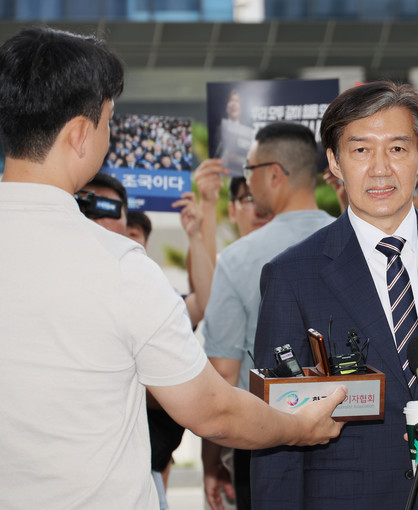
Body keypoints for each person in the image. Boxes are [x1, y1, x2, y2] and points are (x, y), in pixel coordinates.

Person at [0, 26, 346, 510]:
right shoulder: (118, 266)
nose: (109, 137)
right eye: (108, 122)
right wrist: (300, 427)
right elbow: (212, 410)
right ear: (80, 134)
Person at [250, 81, 418, 510]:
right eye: (361, 150)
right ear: (335, 162)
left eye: (397, 149)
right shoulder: (292, 275)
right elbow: (275, 430)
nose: (380, 169)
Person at [201, 122, 335, 510]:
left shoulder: (239, 259)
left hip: (262, 440)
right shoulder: (356, 247)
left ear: (274, 174)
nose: (247, 179)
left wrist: (212, 460)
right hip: (348, 428)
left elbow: (224, 373)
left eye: (250, 169)